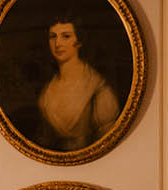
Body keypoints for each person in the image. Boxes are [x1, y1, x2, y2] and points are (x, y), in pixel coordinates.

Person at [36, 12, 119, 151]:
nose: (57, 43)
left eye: (66, 36)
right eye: (53, 37)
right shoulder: (48, 89)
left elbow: (108, 142)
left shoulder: (97, 87)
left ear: (79, 41)